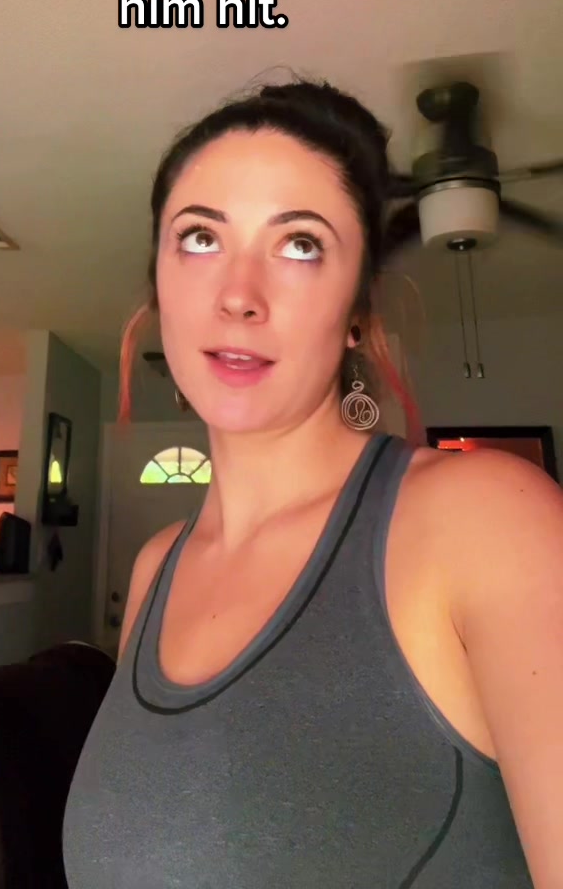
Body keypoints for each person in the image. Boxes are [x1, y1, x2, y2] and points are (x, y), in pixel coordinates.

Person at [63, 77, 563, 888]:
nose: (238, 296)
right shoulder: (155, 570)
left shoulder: (486, 521)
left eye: (300, 245)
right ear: (157, 285)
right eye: (200, 238)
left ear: (358, 311)